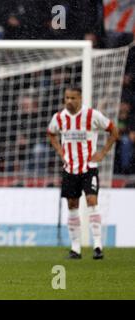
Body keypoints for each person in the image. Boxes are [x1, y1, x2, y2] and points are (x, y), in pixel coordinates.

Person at [47, 87, 118, 260]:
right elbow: (51, 133)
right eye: (66, 98)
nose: (69, 101)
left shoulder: (92, 115)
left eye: (72, 98)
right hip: (70, 169)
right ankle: (75, 248)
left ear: (80, 98)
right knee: (72, 206)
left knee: (92, 201)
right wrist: (61, 152)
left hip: (89, 167)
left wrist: (102, 153)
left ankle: (98, 246)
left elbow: (113, 130)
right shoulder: (59, 118)